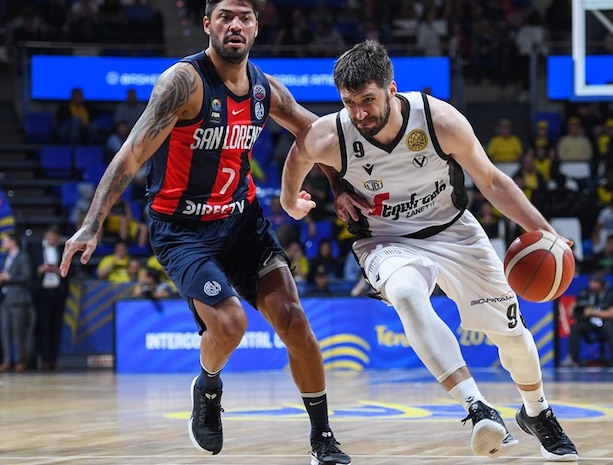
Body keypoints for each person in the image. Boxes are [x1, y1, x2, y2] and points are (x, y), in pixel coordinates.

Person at [58, 1, 351, 463]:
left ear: (256, 27)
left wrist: (339, 188)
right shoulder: (184, 83)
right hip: (183, 229)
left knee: (295, 322)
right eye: (226, 16)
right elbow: (132, 154)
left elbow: (316, 135)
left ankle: (322, 439)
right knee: (231, 324)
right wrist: (92, 224)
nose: (235, 25)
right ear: (207, 24)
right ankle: (208, 386)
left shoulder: (265, 89)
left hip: (242, 222)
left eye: (245, 17)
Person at [280, 40, 578, 462]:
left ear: (391, 89)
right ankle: (477, 407)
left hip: (454, 231)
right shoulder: (333, 134)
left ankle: (537, 412)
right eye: (349, 103)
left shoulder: (439, 120)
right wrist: (291, 202)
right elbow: (298, 154)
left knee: (512, 337)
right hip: (385, 240)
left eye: (367, 100)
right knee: (405, 293)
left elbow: (491, 181)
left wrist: (545, 232)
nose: (360, 113)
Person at [561, 273, 613, 368]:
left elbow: (612, 314)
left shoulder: (611, 293)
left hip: (605, 322)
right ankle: (572, 358)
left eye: (596, 283)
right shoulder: (584, 292)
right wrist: (575, 310)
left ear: (602, 283)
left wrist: (592, 312)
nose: (593, 285)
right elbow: (571, 310)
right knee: (576, 327)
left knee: (610, 327)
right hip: (588, 322)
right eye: (591, 282)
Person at [29, 226, 69, 371]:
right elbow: (29, 270)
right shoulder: (35, 250)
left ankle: (54, 359)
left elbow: (71, 271)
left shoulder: (63, 250)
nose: (53, 239)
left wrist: (58, 271)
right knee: (43, 327)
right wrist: (40, 269)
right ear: (46, 235)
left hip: (58, 293)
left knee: (56, 327)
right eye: (51, 236)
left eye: (55, 236)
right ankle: (44, 359)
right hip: (42, 293)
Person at [0, 232, 33, 373]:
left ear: (13, 242)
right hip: (5, 299)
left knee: (18, 332)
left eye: (5, 241)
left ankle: (20, 360)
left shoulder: (23, 256)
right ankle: (7, 360)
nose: (3, 243)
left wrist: (8, 277)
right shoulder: (7, 257)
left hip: (19, 299)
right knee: (5, 331)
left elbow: (26, 275)